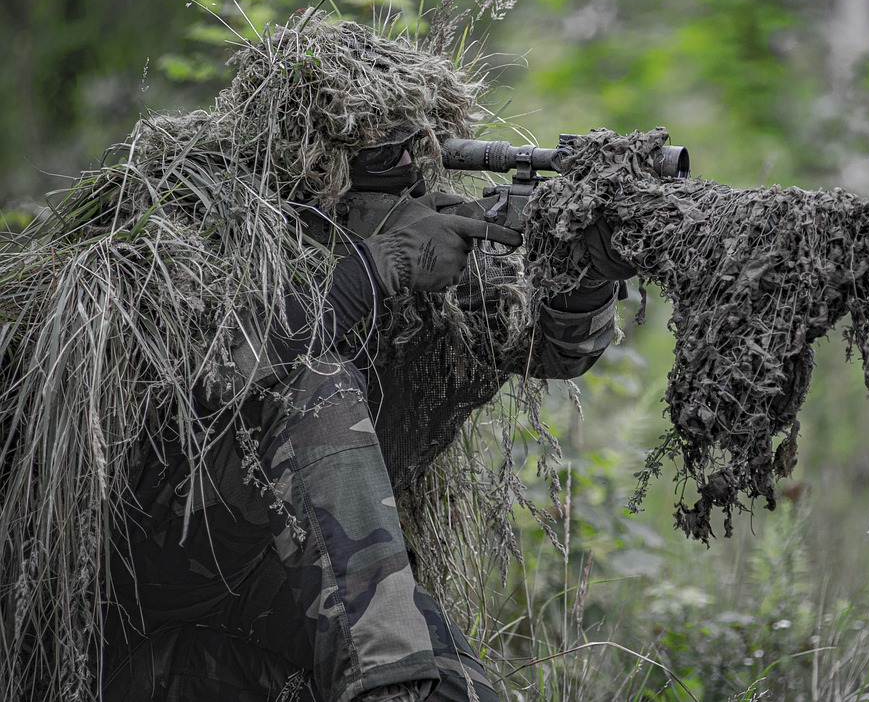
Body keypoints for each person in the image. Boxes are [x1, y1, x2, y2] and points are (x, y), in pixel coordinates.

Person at [96, 98, 635, 695]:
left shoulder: (426, 241)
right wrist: (381, 265)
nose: (404, 178)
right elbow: (221, 374)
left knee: (452, 687)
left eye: (414, 153)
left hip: (262, 590)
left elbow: (553, 351)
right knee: (316, 386)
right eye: (381, 160)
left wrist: (588, 271)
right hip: (142, 590)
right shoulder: (211, 221)